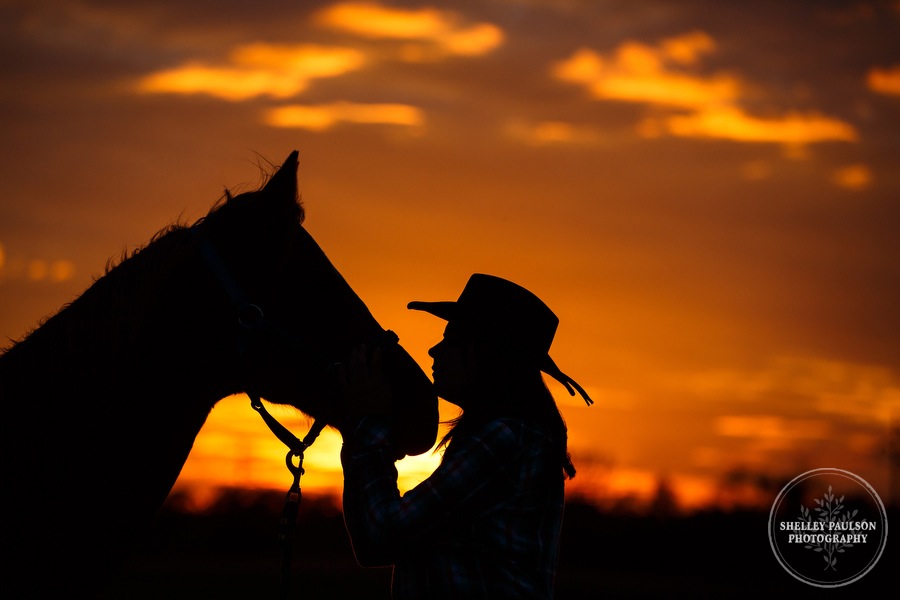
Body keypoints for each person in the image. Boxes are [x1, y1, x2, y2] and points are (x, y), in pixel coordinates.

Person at [335, 273, 592, 599]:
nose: (434, 350)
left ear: (486, 354)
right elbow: (373, 544)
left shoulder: (503, 440)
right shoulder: (512, 438)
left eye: (451, 339)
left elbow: (381, 535)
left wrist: (369, 423)